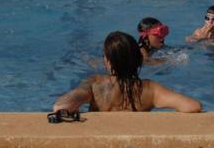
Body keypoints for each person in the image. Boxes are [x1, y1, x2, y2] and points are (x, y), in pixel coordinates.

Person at [51, 31, 201, 113]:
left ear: (108, 60)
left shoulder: (95, 84)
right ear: (137, 59)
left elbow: (61, 107)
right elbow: (193, 106)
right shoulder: (151, 89)